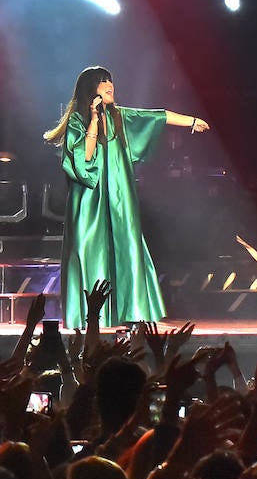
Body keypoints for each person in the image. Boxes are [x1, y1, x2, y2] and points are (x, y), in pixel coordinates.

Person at [44, 66, 210, 329]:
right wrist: (94, 119)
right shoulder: (78, 121)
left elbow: (157, 116)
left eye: (110, 80)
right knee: (91, 250)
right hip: (90, 200)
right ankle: (91, 317)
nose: (110, 84)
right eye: (102, 82)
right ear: (91, 89)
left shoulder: (120, 117)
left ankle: (131, 312)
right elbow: (84, 159)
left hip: (119, 198)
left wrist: (190, 121)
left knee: (127, 248)